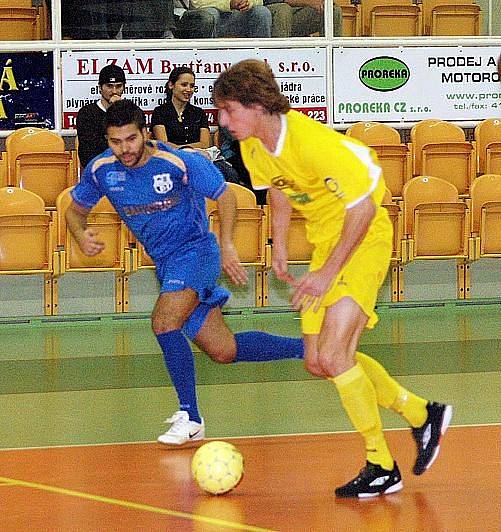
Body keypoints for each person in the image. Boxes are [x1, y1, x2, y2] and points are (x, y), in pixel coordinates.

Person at [213, 59, 453, 498]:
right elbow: (280, 191)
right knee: (317, 360)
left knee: (337, 354)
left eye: (229, 110)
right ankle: (422, 413)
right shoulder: (253, 146)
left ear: (258, 104)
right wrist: (281, 245)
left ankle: (381, 463)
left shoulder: (313, 142)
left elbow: (363, 209)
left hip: (364, 237)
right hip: (326, 241)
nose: (223, 120)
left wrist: (327, 272)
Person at [66, 99, 304, 447]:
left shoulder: (179, 161)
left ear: (145, 133)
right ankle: (308, 347)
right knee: (224, 350)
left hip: (197, 252)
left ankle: (190, 416)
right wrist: (80, 234)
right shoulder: (101, 169)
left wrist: (227, 245)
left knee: (164, 322)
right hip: (167, 265)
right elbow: (74, 211)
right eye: (115, 142)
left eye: (131, 139)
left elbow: (225, 197)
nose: (124, 149)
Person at [151, 66, 240, 182]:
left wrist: (183, 148)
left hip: (199, 157)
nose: (189, 89)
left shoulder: (198, 113)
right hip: (173, 158)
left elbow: (204, 143)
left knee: (229, 174)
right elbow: (163, 144)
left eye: (192, 86)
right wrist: (186, 150)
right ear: (171, 85)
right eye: (184, 85)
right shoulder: (160, 112)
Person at [76, 64, 126, 169]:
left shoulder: (131, 113)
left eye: (118, 86)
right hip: (99, 170)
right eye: (109, 86)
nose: (114, 91)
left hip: (128, 170)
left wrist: (119, 110)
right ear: (100, 87)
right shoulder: (87, 114)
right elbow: (87, 153)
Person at [189, 0, 272, 38]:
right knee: (209, 14)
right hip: (211, 18)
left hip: (237, 16)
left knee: (262, 12)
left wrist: (248, 2)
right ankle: (206, 61)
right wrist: (229, 3)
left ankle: (259, 61)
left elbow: (260, 1)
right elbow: (197, 3)